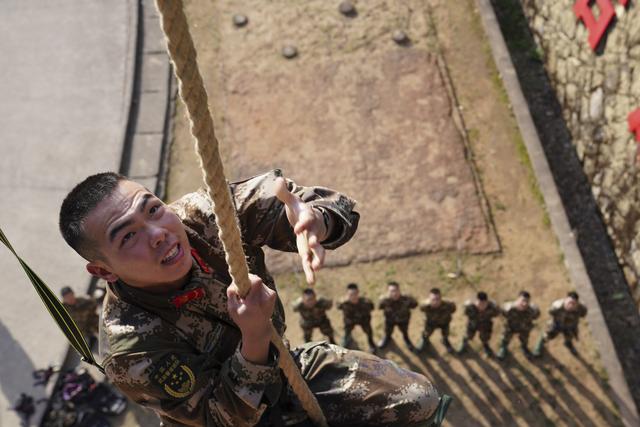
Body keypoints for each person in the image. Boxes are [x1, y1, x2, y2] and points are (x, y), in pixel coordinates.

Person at [58, 170, 449, 427]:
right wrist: (254, 339)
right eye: (128, 236)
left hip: (284, 370)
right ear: (104, 271)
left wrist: (315, 218)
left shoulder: (205, 217)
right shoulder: (130, 348)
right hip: (235, 417)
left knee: (418, 399)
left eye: (154, 209)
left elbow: (290, 201)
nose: (158, 233)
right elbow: (221, 418)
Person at [533, 292, 588, 357]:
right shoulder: (557, 306)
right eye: (569, 302)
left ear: (577, 304)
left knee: (569, 337)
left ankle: (568, 343)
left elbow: (583, 314)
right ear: (565, 300)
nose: (570, 305)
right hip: (557, 324)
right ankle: (538, 346)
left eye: (573, 303)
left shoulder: (581, 308)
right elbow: (551, 312)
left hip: (570, 327)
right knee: (547, 335)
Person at [497, 291, 540, 360]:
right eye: (522, 300)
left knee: (524, 339)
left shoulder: (533, 310)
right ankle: (503, 347)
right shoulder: (508, 308)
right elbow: (502, 313)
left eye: (527, 301)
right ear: (517, 299)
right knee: (505, 337)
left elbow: (536, 316)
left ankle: (524, 347)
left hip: (524, 327)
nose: (524, 304)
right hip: (510, 327)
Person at [377, 281, 418, 352]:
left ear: (399, 290)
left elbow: (414, 305)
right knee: (388, 332)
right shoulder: (384, 300)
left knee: (404, 331)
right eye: (392, 291)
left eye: (396, 290)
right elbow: (380, 307)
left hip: (403, 320)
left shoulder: (407, 299)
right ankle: (387, 338)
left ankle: (406, 339)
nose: (394, 293)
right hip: (390, 321)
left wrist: (411, 298)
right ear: (388, 292)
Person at [457, 291, 500, 357]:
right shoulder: (470, 307)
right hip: (472, 325)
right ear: (475, 301)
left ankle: (486, 346)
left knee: (485, 338)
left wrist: (496, 306)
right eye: (479, 303)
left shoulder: (491, 307)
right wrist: (465, 305)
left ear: (487, 302)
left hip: (485, 326)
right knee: (468, 336)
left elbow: (497, 313)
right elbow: (464, 312)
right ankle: (464, 344)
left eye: (484, 304)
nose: (481, 306)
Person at [336, 283, 376, 353]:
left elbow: (372, 307)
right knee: (347, 332)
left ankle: (371, 343)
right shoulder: (343, 303)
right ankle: (347, 339)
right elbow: (338, 306)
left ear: (358, 293)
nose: (353, 297)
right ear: (347, 295)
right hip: (350, 321)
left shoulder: (366, 302)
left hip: (364, 320)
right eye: (350, 295)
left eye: (355, 294)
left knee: (369, 332)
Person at [417, 288, 456, 354]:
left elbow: (453, 310)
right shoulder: (425, 306)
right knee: (426, 334)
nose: (435, 302)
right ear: (429, 299)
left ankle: (445, 340)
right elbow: (421, 308)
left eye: (437, 299)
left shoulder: (449, 304)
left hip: (444, 323)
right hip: (430, 323)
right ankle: (424, 341)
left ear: (441, 298)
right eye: (433, 300)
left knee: (446, 334)